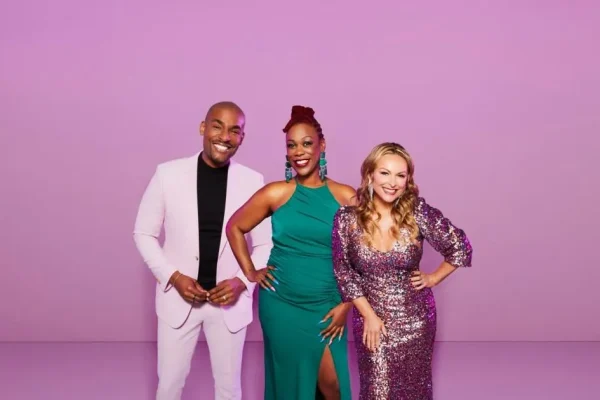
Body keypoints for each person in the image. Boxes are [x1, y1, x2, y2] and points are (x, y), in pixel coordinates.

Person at [132, 101, 272, 400]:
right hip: (177, 300)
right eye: (217, 126)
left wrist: (242, 282)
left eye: (234, 130)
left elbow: (266, 243)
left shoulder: (253, 181)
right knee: (169, 387)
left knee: (229, 390)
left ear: (242, 138)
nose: (225, 136)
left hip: (229, 304)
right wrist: (174, 277)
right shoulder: (167, 174)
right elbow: (143, 233)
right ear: (203, 128)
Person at [225, 105, 355, 400]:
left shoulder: (346, 196)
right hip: (282, 302)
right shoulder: (276, 193)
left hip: (328, 300)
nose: (299, 152)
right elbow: (235, 227)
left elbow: (361, 257)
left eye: (307, 143)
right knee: (289, 382)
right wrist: (250, 272)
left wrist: (347, 303)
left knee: (332, 385)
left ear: (322, 145)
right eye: (292, 145)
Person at [331, 142, 473, 400]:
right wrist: (369, 316)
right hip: (371, 318)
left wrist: (433, 278)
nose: (392, 182)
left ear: (408, 180)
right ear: (370, 174)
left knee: (414, 391)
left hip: (416, 320)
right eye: (385, 173)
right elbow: (344, 272)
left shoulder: (417, 212)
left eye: (400, 175)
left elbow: (459, 246)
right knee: (377, 390)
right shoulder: (346, 219)